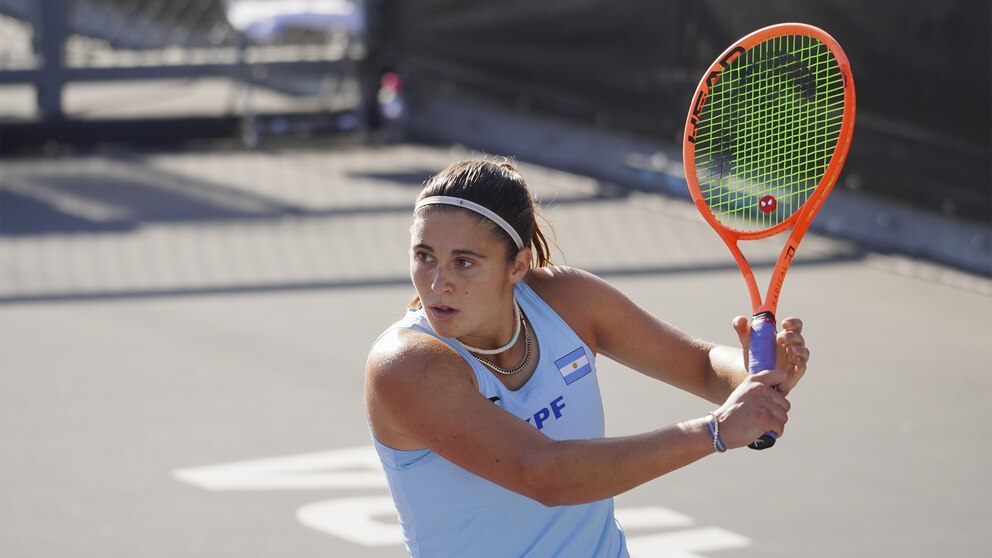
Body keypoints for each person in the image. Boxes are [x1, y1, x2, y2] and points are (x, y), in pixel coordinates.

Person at [365, 158, 809, 557]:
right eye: (424, 256)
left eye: (464, 262)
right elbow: (544, 475)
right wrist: (714, 431)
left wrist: (756, 370)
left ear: (517, 266)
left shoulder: (569, 300)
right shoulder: (407, 364)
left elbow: (702, 364)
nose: (438, 282)